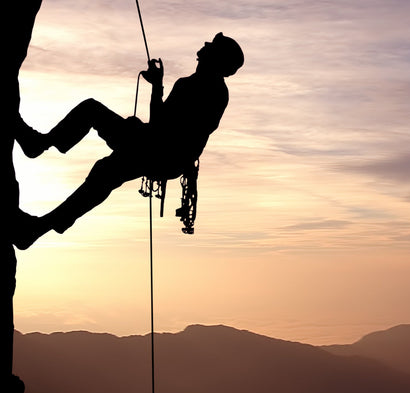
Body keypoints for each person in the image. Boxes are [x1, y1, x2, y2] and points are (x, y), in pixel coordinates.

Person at [14, 32, 243, 249]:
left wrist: (156, 87)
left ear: (216, 59)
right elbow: (164, 126)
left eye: (210, 47)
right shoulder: (207, 88)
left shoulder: (199, 87)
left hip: (159, 152)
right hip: (164, 155)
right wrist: (155, 93)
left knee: (93, 117)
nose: (204, 46)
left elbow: (162, 125)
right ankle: (38, 228)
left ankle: (39, 148)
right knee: (105, 170)